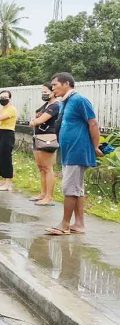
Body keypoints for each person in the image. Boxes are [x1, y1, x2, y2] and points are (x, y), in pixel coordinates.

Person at [46, 72, 103, 235]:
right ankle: (78, 224)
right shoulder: (65, 102)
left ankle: (64, 225)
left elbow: (93, 123)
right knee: (77, 189)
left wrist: (96, 146)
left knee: (70, 188)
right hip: (69, 151)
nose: (53, 88)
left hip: (78, 151)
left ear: (66, 84)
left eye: (55, 84)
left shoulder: (79, 100)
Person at [29, 83, 60, 206]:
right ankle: (42, 194)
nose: (44, 94)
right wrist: (34, 121)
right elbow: (35, 119)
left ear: (53, 92)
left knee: (47, 168)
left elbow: (39, 120)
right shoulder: (46, 105)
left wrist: (34, 121)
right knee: (41, 168)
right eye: (42, 92)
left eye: (46, 91)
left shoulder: (55, 106)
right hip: (38, 137)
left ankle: (49, 197)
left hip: (48, 138)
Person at [0, 90, 17, 191]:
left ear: (10, 98)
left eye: (5, 97)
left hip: (8, 134)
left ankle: (8, 183)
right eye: (1, 97)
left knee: (6, 158)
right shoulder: (0, 109)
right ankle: (3, 181)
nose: (3, 99)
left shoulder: (12, 109)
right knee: (0, 157)